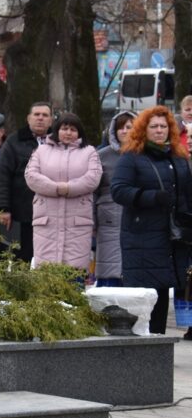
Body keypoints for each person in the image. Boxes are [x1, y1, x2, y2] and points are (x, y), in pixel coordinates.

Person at [110, 106, 192, 335]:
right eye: (154, 126)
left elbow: (187, 195)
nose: (159, 130)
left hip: (172, 238)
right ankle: (143, 347)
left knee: (163, 291)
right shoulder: (132, 157)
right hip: (142, 236)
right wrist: (151, 197)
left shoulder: (178, 157)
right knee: (145, 297)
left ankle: (159, 346)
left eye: (163, 126)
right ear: (144, 130)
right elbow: (119, 190)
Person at [24, 112, 102, 271]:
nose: (68, 133)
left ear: (79, 132)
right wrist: (57, 188)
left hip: (78, 222)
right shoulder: (41, 151)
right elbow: (31, 176)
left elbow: (93, 178)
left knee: (75, 271)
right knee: (47, 271)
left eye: (73, 129)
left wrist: (69, 188)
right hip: (47, 220)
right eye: (64, 128)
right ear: (57, 130)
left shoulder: (89, 152)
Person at [0, 101, 53, 262]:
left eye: (45, 115)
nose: (40, 118)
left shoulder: (59, 142)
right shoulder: (14, 142)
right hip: (23, 212)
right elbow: (2, 176)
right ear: (28, 118)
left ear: (51, 121)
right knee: (22, 257)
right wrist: (3, 208)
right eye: (36, 114)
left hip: (52, 211)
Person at [94, 111, 136, 287]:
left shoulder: (145, 155)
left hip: (136, 215)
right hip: (108, 216)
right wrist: (93, 220)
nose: (124, 131)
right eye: (120, 127)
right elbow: (94, 190)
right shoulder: (102, 155)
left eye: (129, 127)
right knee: (109, 265)